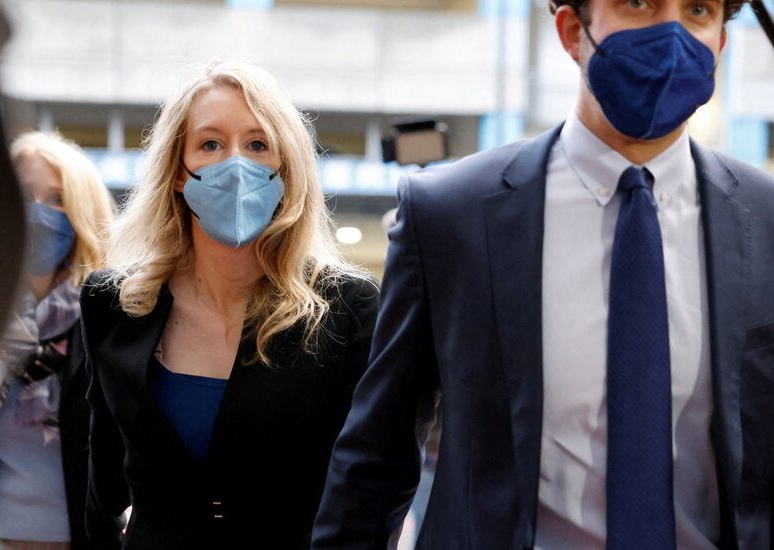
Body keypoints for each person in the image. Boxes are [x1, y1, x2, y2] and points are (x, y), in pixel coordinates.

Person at [313, 1, 774, 549]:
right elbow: (375, 458)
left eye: (697, 9)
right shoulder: (451, 214)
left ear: (720, 42)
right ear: (573, 29)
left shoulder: (766, 220)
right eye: (639, 3)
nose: (670, 31)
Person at [79, 60, 379, 550]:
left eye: (258, 145)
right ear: (179, 172)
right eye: (211, 144)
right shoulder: (113, 303)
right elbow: (102, 474)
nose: (235, 164)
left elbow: (368, 484)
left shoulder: (346, 308)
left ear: (286, 168)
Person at [0, 131, 119, 550]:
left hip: (76, 541)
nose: (39, 212)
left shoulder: (106, 320)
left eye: (57, 199)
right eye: (24, 195)